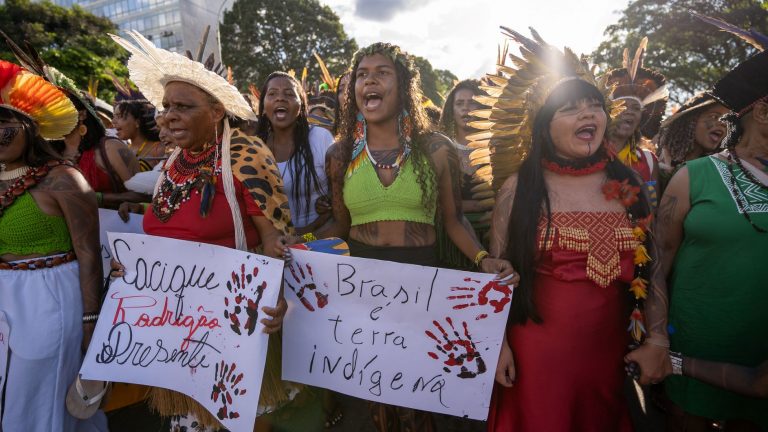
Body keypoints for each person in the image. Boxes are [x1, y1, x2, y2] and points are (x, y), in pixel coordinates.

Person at [281, 42, 514, 432]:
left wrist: (482, 259)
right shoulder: (340, 155)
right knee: (377, 396)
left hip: (422, 283)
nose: (369, 80)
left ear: (404, 85)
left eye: (382, 72)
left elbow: (454, 220)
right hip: (362, 288)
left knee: (421, 397)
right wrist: (298, 241)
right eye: (361, 74)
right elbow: (339, 225)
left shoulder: (436, 150)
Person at [110, 30, 294, 431]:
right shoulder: (173, 162)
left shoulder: (245, 154)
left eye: (183, 106)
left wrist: (278, 297)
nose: (168, 115)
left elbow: (274, 238)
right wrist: (131, 270)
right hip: (175, 327)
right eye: (166, 106)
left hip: (231, 325)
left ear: (215, 111)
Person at [473, 28, 654, 431]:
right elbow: (497, 277)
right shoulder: (519, 189)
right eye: (571, 109)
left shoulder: (628, 185)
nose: (589, 115)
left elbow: (653, 270)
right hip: (537, 353)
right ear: (543, 127)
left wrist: (656, 340)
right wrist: (497, 345)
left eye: (594, 106)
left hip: (611, 354)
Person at [629, 49, 768, 432]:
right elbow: (658, 264)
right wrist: (657, 339)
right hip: (693, 355)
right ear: (763, 112)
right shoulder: (695, 176)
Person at [0, 60, 102, 432]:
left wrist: (91, 323)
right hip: (4, 299)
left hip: (51, 298)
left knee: (42, 397)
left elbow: (90, 253)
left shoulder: (63, 179)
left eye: (4, 125)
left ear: (31, 126)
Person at [256, 72, 334, 233]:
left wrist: (303, 236)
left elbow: (340, 196)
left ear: (301, 105)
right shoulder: (255, 146)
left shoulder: (320, 138)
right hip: (274, 243)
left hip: (318, 236)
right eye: (272, 94)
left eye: (289, 94)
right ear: (263, 107)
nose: (280, 98)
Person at [605, 37, 668, 207]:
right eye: (623, 106)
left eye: (635, 109)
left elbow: (653, 213)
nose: (629, 113)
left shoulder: (648, 160)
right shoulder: (588, 153)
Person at [656, 92, 728, 190]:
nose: (723, 124)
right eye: (714, 117)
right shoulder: (657, 161)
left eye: (726, 120)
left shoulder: (720, 170)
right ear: (691, 120)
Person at [111, 77, 165, 171]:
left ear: (137, 122)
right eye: (114, 116)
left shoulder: (159, 149)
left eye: (119, 116)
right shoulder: (123, 149)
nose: (113, 122)